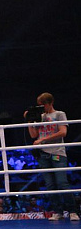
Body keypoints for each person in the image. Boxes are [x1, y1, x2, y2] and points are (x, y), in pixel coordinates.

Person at [25, 92, 79, 221]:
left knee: (62, 183)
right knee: (50, 185)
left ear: (50, 103)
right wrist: (29, 120)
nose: (41, 108)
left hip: (57, 152)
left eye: (43, 105)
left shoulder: (59, 114)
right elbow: (34, 135)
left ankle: (73, 211)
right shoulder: (40, 116)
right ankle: (58, 211)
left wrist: (43, 139)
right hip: (43, 154)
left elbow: (63, 132)